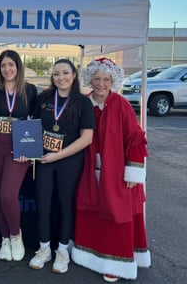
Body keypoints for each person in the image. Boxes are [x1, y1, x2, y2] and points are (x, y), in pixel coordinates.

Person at [71, 57, 151, 283]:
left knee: (116, 212)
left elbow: (136, 138)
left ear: (113, 81)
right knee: (90, 209)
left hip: (116, 172)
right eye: (96, 78)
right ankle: (88, 255)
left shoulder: (122, 104)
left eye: (106, 79)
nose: (101, 84)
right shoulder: (83, 102)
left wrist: (133, 172)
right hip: (87, 170)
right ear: (90, 80)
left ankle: (115, 261)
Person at [29, 59, 95, 274]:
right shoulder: (44, 98)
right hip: (44, 161)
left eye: (65, 73)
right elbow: (31, 126)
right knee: (44, 203)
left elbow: (86, 139)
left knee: (65, 204)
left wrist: (57, 156)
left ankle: (63, 250)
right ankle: (44, 248)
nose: (61, 77)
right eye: (56, 74)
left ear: (74, 75)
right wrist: (29, 150)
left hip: (69, 161)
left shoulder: (83, 102)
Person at [0, 50, 37, 262]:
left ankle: (16, 236)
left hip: (20, 147)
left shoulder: (30, 90)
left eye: (11, 65)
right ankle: (4, 238)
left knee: (8, 194)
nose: (7, 69)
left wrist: (26, 151)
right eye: (3, 66)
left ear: (18, 66)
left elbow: (35, 120)